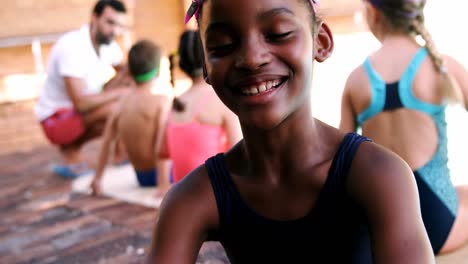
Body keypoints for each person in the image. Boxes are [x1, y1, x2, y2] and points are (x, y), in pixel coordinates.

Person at [148, 0, 434, 263]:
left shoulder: (380, 175)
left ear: (320, 42)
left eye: (278, 33)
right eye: (223, 44)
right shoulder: (192, 199)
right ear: (206, 66)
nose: (251, 58)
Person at [339, 0, 468, 255]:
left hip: (386, 229)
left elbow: (340, 162)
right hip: (440, 226)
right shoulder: (440, 65)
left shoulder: (356, 80)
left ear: (373, 13)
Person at [35, 0, 130, 178]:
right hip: (54, 119)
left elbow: (126, 73)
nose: (115, 30)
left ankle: (118, 154)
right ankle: (71, 150)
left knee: (125, 89)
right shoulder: (72, 47)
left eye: (118, 25)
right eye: (110, 23)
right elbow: (80, 103)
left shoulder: (109, 44)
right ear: (94, 18)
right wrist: (120, 93)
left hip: (81, 111)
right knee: (115, 108)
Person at [155, 30, 242, 194]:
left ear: (181, 64)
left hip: (183, 194)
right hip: (214, 194)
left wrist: (163, 185)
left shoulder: (176, 103)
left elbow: (161, 152)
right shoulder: (220, 100)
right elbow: (241, 155)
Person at [90, 40, 171, 196]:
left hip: (141, 177)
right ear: (158, 70)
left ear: (130, 72)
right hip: (161, 175)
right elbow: (162, 143)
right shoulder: (161, 102)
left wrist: (98, 178)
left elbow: (107, 142)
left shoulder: (120, 104)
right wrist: (163, 184)